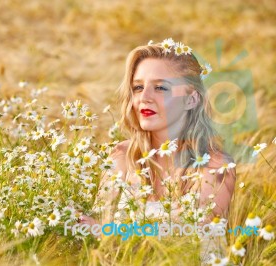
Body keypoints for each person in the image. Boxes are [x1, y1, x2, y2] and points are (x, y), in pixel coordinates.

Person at [78, 39, 236, 262]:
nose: (145, 98)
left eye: (161, 87)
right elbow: (95, 238)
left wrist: (110, 232)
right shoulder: (122, 157)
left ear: (191, 99)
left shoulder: (216, 166)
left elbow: (187, 239)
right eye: (138, 87)